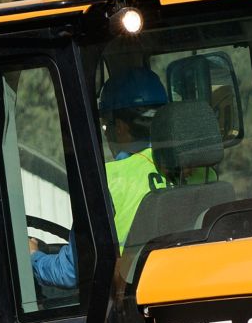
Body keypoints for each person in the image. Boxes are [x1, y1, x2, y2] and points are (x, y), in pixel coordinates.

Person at [30, 66, 175, 290]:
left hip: (133, 302)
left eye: (106, 125)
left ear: (121, 127)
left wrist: (33, 258)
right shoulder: (191, 170)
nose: (105, 133)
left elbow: (71, 271)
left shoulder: (108, 180)